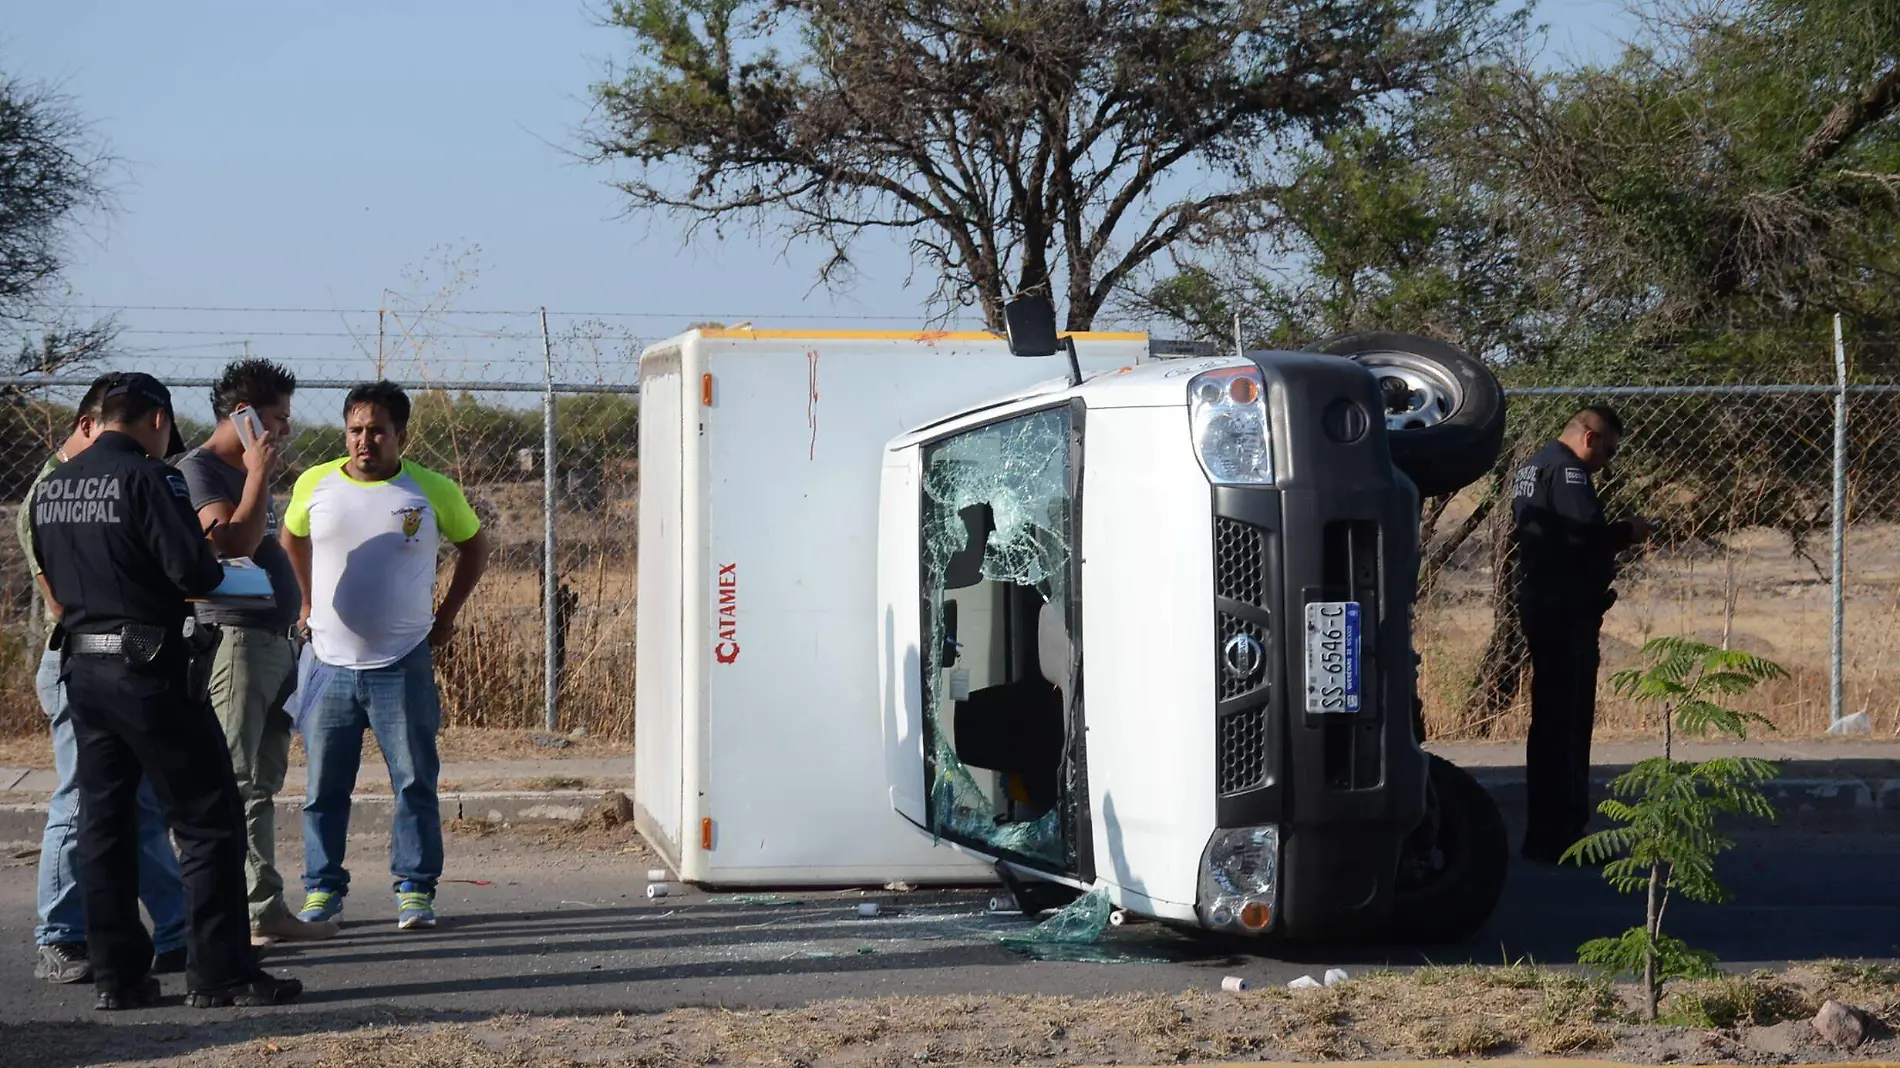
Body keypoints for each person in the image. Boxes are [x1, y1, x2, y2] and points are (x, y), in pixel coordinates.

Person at [29, 371, 302, 1010]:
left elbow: (57, 582)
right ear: (157, 421)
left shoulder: (53, 487)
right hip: (147, 668)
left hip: (83, 669)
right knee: (209, 819)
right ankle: (222, 974)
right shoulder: (153, 478)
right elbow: (195, 570)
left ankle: (118, 978)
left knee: (106, 824)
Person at [284, 380, 491, 930]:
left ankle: (415, 889)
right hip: (328, 666)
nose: (364, 440)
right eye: (355, 429)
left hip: (402, 663)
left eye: (377, 430)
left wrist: (445, 617)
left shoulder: (431, 490)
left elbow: (474, 547)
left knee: (414, 780)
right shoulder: (315, 483)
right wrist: (304, 601)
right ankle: (322, 890)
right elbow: (291, 536)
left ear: (400, 434)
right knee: (324, 787)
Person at [19, 375, 190, 984]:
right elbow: (66, 600)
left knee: (134, 804)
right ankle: (60, 935)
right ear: (90, 425)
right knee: (81, 800)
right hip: (86, 659)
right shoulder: (57, 488)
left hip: (104, 657)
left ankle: (176, 930)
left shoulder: (73, 484)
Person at [174, 359, 339, 948]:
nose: (286, 431)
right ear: (243, 417)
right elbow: (230, 543)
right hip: (236, 643)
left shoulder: (245, 471)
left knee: (261, 782)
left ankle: (264, 909)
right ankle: (250, 912)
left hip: (274, 643)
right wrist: (255, 474)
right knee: (239, 782)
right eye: (277, 418)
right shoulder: (200, 471)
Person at [1510, 405, 1655, 863]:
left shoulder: (1533, 466)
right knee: (1568, 724)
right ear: (1589, 439)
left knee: (1550, 722)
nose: (1607, 462)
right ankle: (1567, 838)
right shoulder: (1570, 473)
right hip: (1566, 611)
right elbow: (1584, 537)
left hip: (1544, 604)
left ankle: (1546, 833)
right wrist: (1627, 531)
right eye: (1608, 451)